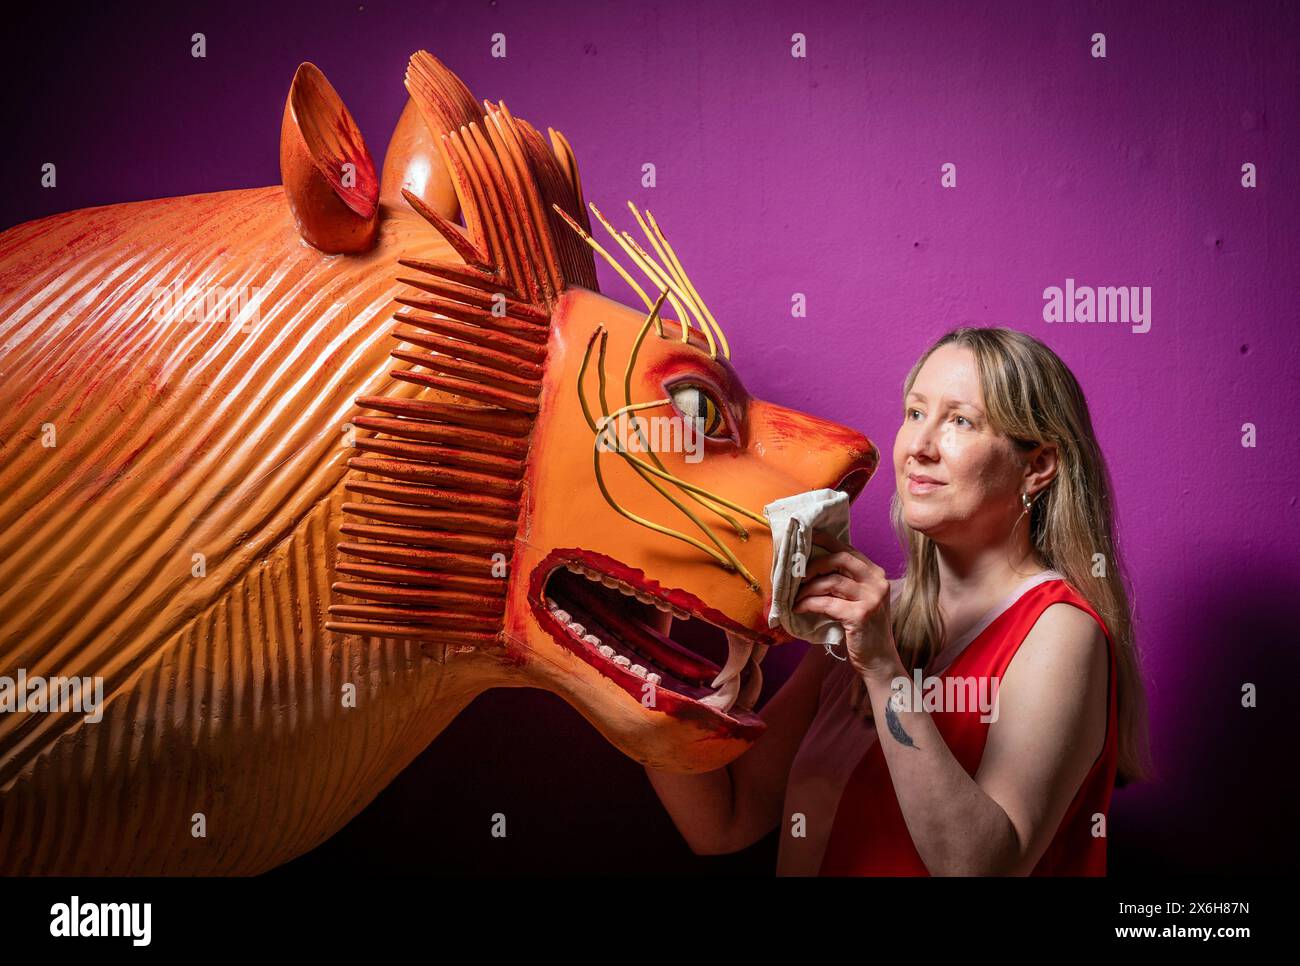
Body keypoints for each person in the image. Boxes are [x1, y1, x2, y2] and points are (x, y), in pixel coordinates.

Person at [644, 325, 1152, 875]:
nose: (919, 448)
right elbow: (725, 821)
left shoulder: (1058, 630)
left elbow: (981, 868)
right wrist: (648, 658)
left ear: (1038, 466)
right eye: (915, 413)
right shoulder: (870, 616)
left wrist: (885, 670)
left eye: (960, 421)